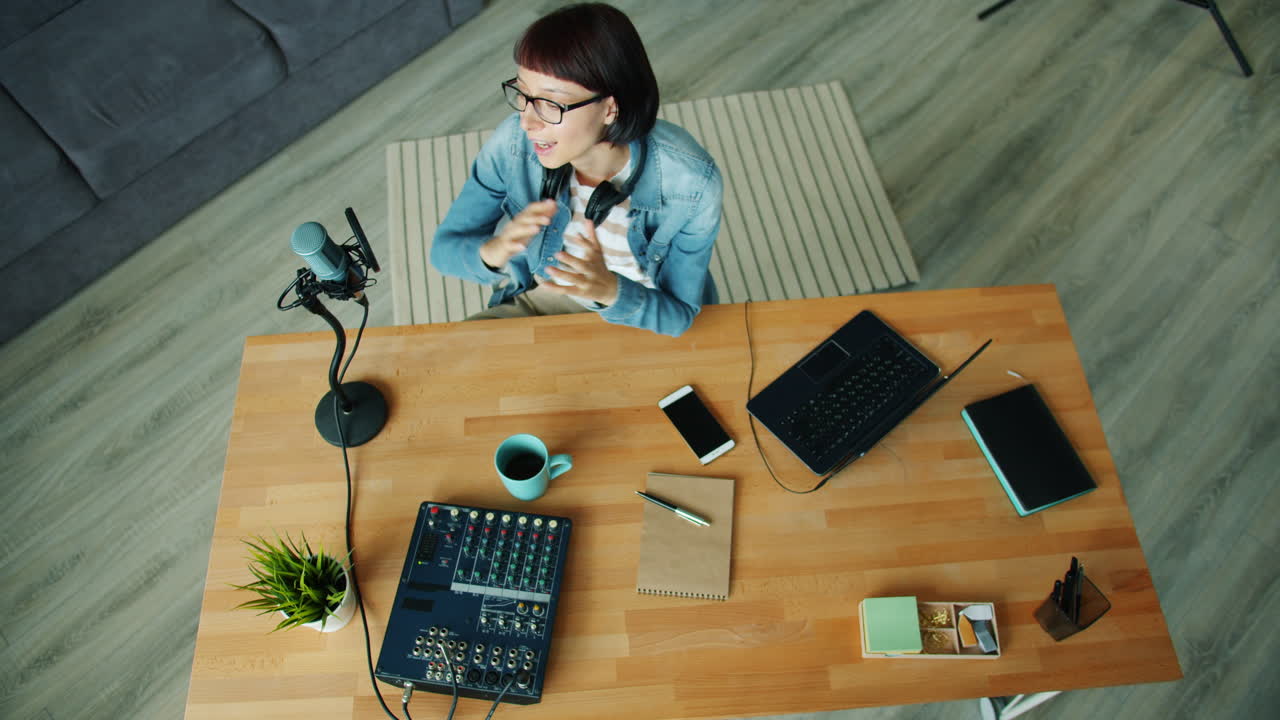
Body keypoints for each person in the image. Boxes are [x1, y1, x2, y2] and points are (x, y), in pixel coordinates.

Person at [430, 3, 723, 337]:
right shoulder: (512, 144)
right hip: (548, 299)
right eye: (523, 94)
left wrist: (609, 290)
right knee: (450, 354)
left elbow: (679, 316)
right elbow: (444, 251)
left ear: (610, 108)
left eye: (550, 104)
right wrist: (493, 251)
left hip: (640, 310)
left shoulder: (693, 183)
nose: (527, 122)